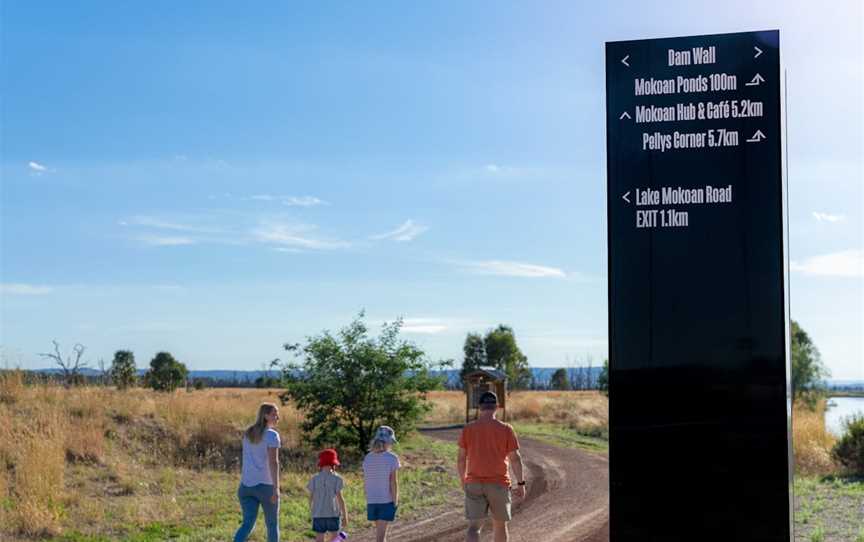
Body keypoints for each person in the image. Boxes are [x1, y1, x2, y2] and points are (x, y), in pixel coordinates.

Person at [457, 391, 526, 542]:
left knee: (474, 527)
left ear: (479, 407)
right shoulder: (506, 429)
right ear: (497, 407)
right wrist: (520, 483)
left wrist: (463, 480)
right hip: (499, 484)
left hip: (474, 483)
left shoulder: (468, 429)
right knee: (500, 527)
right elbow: (515, 459)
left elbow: (461, 459)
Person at [234, 402, 282, 542]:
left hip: (246, 487)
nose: (277, 417)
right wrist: (276, 488)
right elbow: (274, 463)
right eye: (274, 414)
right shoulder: (272, 435)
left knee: (247, 524)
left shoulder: (248, 432)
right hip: (266, 487)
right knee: (272, 525)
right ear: (266, 416)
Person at [362, 425, 401, 542]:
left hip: (371, 501)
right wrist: (395, 501)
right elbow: (393, 482)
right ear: (388, 442)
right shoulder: (392, 458)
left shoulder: (367, 458)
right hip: (386, 501)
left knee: (380, 535)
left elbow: (367, 480)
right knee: (380, 537)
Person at [307, 448, 349, 542]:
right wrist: (345, 516)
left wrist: (312, 511)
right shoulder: (337, 479)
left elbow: (310, 498)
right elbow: (340, 499)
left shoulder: (314, 479)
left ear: (321, 464)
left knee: (319, 538)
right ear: (334, 464)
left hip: (318, 514)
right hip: (333, 514)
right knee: (335, 537)